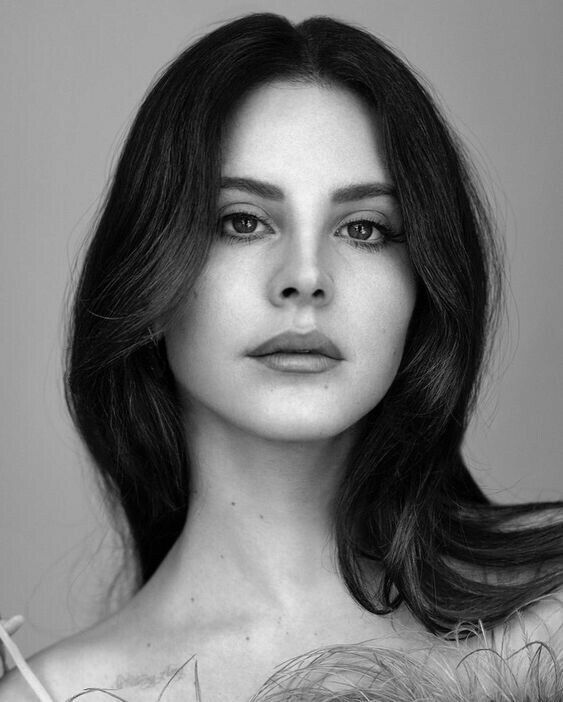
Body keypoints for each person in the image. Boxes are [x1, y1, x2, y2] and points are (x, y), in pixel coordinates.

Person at [1, 11, 562, 701]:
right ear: (150, 267)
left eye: (363, 228)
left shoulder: (549, 627)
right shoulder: (52, 697)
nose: (305, 275)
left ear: (425, 284)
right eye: (241, 222)